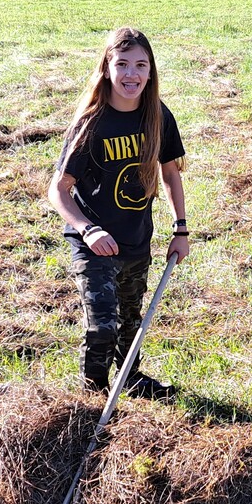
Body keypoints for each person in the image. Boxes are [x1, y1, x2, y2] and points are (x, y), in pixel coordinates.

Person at [48, 28, 190, 398]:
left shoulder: (156, 116)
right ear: (107, 68)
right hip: (93, 244)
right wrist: (87, 229)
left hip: (135, 238)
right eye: (122, 64)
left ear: (151, 71)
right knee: (102, 327)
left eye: (141, 65)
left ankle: (130, 379)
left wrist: (181, 230)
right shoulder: (91, 124)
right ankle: (93, 394)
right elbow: (58, 190)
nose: (132, 75)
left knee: (130, 322)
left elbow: (171, 172)